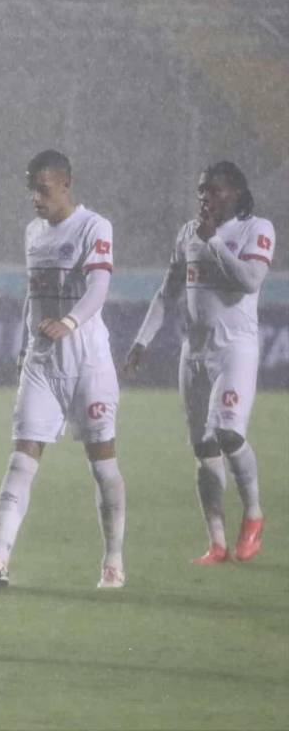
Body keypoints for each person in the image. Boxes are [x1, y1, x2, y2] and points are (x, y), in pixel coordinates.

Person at [0, 150, 127, 589]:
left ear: (66, 184)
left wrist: (69, 322)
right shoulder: (33, 233)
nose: (35, 198)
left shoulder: (94, 226)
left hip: (88, 363)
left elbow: (99, 286)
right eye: (31, 190)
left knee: (102, 465)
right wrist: (24, 348)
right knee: (22, 456)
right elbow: (33, 297)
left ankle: (113, 560)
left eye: (43, 189)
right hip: (42, 363)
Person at [125, 161, 275, 564]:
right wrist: (142, 340)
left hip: (235, 350)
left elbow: (249, 281)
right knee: (204, 447)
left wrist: (215, 243)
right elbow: (167, 292)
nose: (205, 197)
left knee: (228, 433)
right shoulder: (187, 234)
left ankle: (254, 514)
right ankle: (217, 543)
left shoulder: (256, 229)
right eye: (201, 190)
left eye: (214, 190)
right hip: (193, 353)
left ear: (236, 194)